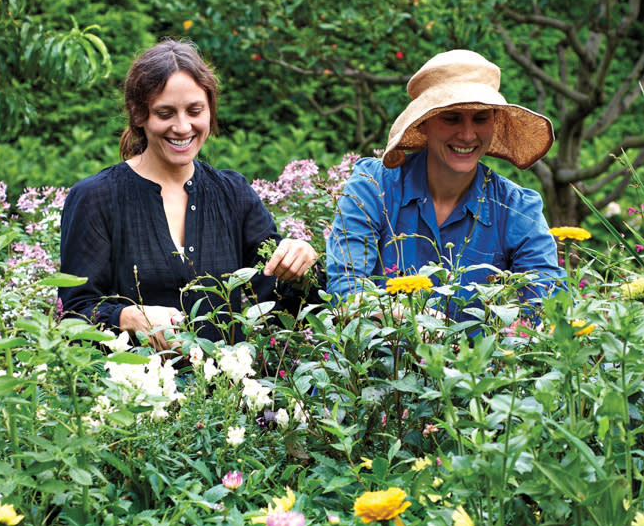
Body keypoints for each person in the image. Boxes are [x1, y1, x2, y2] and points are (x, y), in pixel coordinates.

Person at [59, 40, 317, 346]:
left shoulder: (233, 195)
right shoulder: (96, 198)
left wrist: (301, 267)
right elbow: (75, 315)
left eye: (195, 111)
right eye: (165, 113)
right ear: (139, 114)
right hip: (130, 391)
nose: (182, 127)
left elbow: (280, 300)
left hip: (225, 391)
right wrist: (128, 317)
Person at [326, 49, 564, 320]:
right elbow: (345, 294)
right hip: (380, 361)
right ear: (424, 123)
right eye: (451, 117)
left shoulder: (516, 208)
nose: (467, 134)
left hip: (476, 361)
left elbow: (547, 307)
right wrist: (419, 322)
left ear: (495, 121)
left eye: (481, 117)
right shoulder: (373, 187)